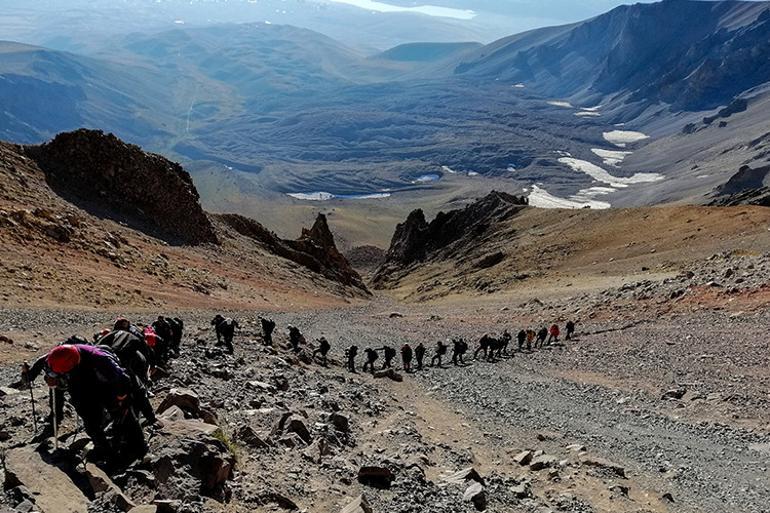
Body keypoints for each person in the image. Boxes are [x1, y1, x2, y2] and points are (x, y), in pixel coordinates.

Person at [44, 344, 146, 464]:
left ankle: (140, 450)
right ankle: (107, 454)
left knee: (124, 416)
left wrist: (121, 399)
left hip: (107, 386)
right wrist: (51, 378)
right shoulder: (57, 356)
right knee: (91, 425)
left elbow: (123, 380)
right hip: (83, 387)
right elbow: (49, 368)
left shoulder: (99, 358)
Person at [97, 329, 157, 425]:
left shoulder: (131, 362)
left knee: (135, 390)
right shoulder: (97, 362)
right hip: (116, 361)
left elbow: (139, 388)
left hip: (132, 362)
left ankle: (134, 416)